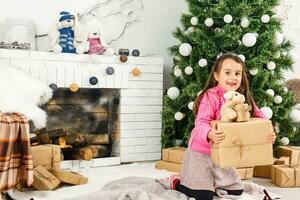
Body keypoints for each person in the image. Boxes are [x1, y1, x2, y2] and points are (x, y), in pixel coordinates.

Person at [160, 54, 276, 200]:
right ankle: (176, 182)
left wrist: (268, 132)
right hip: (201, 153)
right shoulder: (210, 96)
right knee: (203, 195)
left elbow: (260, 118)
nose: (233, 77)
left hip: (224, 152)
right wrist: (209, 133)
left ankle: (213, 183)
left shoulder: (242, 97)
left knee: (235, 192)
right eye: (227, 73)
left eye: (237, 73)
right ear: (216, 75)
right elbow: (201, 122)